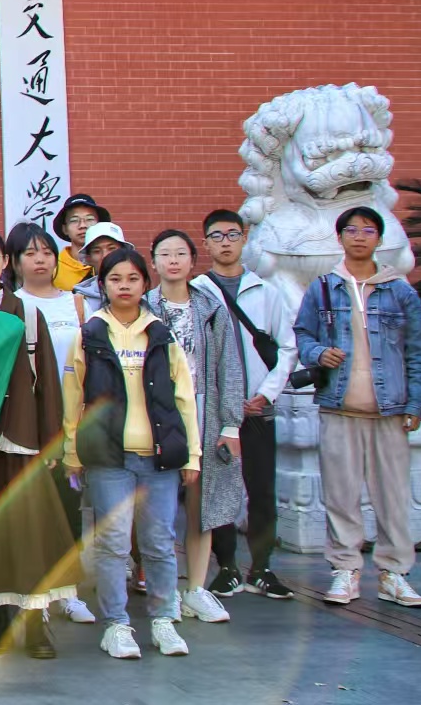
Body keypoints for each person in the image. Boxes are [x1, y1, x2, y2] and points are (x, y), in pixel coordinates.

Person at [63, 247, 200, 661]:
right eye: (115, 279)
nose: (124, 286)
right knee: (113, 544)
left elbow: (184, 398)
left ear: (145, 283)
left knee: (159, 542)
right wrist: (72, 450)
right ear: (102, 285)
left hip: (159, 458)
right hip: (109, 459)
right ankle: (116, 625)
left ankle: (163, 620)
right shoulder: (89, 334)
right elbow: (73, 398)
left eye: (133, 279)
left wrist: (191, 455)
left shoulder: (160, 334)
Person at [294, 205, 421, 608]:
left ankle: (394, 574)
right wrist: (318, 353)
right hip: (339, 408)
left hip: (391, 411)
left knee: (392, 497)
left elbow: (418, 352)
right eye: (351, 230)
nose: (359, 236)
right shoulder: (323, 288)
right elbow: (302, 335)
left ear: (379, 238)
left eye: (368, 230)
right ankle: (345, 569)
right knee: (340, 495)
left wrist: (416, 404)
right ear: (339, 237)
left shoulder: (400, 291)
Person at [0, 228, 74, 659]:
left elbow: (48, 386)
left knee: (31, 531)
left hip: (23, 438)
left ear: (5, 262)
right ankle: (0, 621)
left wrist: (52, 443)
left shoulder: (28, 312)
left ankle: (37, 622)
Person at [195, 209, 297, 600]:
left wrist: (266, 393)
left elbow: (287, 348)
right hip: (217, 411)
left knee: (262, 488)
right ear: (205, 243)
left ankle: (263, 567)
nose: (225, 242)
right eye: (216, 236)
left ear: (244, 238)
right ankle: (227, 567)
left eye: (232, 234)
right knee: (219, 490)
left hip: (257, 408)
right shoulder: (198, 291)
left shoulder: (266, 292)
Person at [144, 229, 243, 627]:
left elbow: (229, 366)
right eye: (165, 254)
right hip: (156, 414)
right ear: (153, 261)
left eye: (180, 253)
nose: (173, 260)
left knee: (202, 504)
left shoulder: (210, 307)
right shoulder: (143, 306)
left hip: (203, 411)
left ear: (192, 260)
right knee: (160, 506)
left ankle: (196, 588)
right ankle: (166, 589)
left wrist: (231, 423)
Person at [8, 221, 97, 626]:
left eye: (46, 252)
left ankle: (67, 591)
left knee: (68, 509)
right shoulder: (12, 306)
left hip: (69, 423)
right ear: (15, 262)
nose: (40, 260)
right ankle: (33, 593)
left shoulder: (76, 305)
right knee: (28, 511)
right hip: (25, 423)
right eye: (30, 253)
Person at [52, 194, 108, 291]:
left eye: (89, 219)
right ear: (65, 229)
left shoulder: (111, 262)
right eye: (74, 220)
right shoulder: (53, 267)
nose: (82, 225)